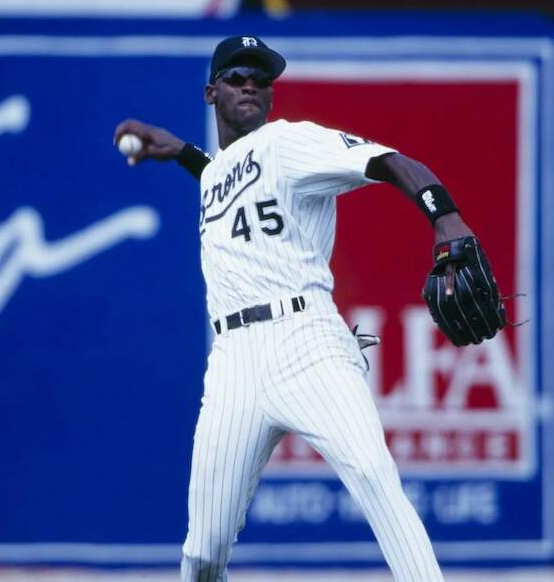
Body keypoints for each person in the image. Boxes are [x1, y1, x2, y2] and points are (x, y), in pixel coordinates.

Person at [115, 35, 477, 581]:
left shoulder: (289, 145)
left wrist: (444, 216)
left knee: (373, 474)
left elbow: (389, 161)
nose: (252, 86)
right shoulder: (216, 174)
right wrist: (185, 154)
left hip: (305, 341)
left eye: (262, 79)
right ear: (212, 91)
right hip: (233, 360)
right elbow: (230, 179)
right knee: (203, 549)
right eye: (239, 76)